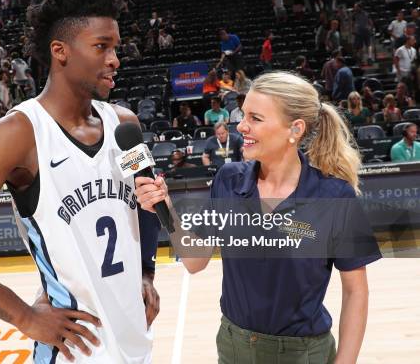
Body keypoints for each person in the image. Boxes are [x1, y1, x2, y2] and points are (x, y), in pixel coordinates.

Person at [0, 0, 159, 363]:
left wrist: (146, 272)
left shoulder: (124, 124)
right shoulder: (20, 134)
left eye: (116, 47)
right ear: (60, 51)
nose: (115, 59)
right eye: (101, 47)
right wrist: (23, 316)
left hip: (134, 342)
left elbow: (146, 204)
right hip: (75, 350)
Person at [136, 71, 381, 364]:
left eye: (255, 118)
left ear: (295, 129)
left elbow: (356, 293)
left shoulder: (334, 195)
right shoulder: (228, 179)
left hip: (304, 354)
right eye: (244, 115)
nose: (241, 126)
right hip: (234, 347)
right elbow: (194, 261)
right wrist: (166, 209)